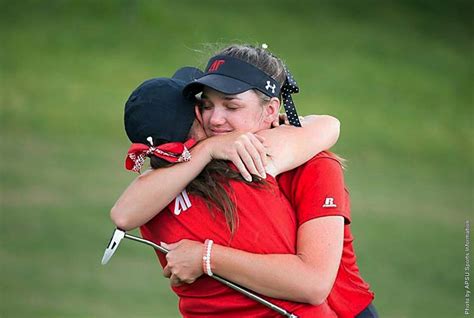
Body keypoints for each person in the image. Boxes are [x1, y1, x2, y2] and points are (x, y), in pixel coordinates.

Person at [113, 44, 377, 317]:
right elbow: (123, 214)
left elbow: (313, 283)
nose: (215, 119)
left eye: (232, 106)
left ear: (271, 110)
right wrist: (208, 150)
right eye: (206, 105)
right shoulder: (200, 163)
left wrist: (206, 257)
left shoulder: (316, 166)